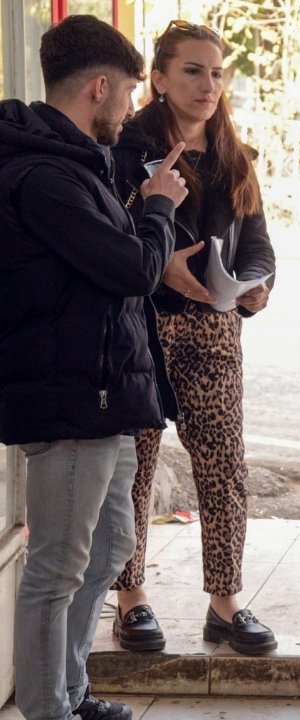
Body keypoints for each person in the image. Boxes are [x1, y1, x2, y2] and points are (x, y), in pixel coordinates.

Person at [0, 15, 189, 720]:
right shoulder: (45, 176)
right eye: (130, 93)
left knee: (109, 547)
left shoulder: (78, 167)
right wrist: (159, 209)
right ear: (100, 88)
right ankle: (49, 707)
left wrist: (141, 209)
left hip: (106, 399)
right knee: (55, 567)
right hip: (71, 400)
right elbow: (132, 269)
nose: (132, 109)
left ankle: (72, 693)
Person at [108, 19, 278, 656]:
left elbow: (257, 244)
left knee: (223, 464)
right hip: (139, 322)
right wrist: (163, 263)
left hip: (214, 326)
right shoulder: (125, 145)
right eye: (192, 70)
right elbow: (107, 233)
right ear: (157, 78)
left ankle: (225, 600)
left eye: (215, 72)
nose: (208, 84)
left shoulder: (235, 154)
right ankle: (130, 597)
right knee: (135, 463)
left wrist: (257, 285)